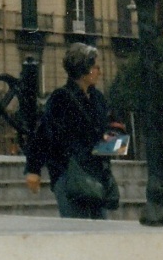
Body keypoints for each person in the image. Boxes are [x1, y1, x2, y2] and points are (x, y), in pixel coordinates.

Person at [24, 43, 122, 219]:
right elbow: (43, 135)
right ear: (83, 69)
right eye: (94, 66)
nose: (99, 70)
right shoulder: (61, 98)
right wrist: (33, 170)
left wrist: (108, 146)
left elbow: (115, 132)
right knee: (77, 230)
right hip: (70, 175)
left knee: (100, 232)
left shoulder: (98, 98)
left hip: (96, 175)